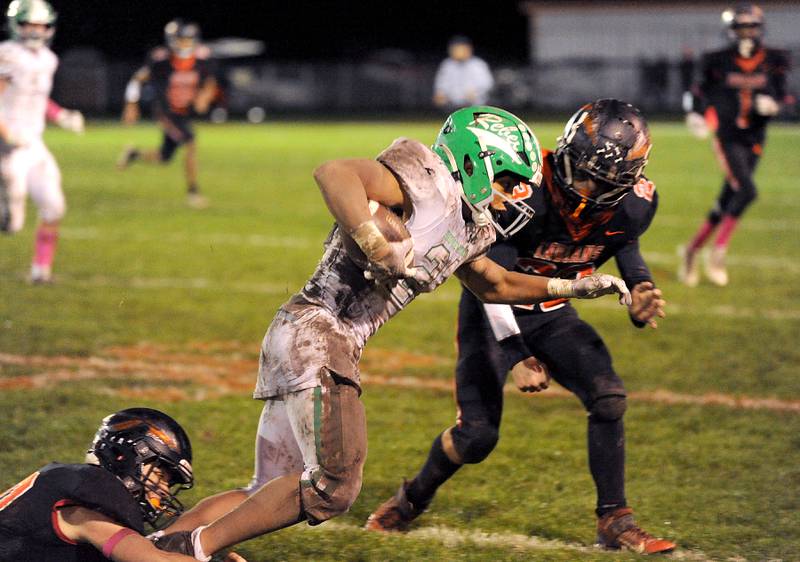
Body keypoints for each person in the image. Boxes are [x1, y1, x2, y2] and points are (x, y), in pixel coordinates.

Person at [152, 106, 632, 560]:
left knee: (267, 488)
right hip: (320, 335)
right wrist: (372, 240)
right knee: (334, 486)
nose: (512, 196)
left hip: (304, 335)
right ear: (476, 160)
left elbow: (496, 283)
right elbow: (335, 173)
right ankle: (192, 550)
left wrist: (575, 285)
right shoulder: (425, 178)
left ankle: (152, 545)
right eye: (507, 180)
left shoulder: (465, 222)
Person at [365, 99, 676, 555]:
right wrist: (517, 354)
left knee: (608, 396)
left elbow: (621, 239)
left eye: (594, 178)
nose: (577, 183)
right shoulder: (521, 188)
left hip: (551, 309)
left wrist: (640, 285)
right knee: (477, 437)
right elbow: (495, 284)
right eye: (575, 165)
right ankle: (412, 498)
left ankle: (614, 518)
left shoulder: (633, 205)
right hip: (492, 311)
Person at [0, 407, 208, 561]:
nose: (163, 491)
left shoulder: (70, 484)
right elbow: (150, 559)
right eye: (161, 475)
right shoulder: (89, 501)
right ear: (122, 456)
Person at [679, 2, 791, 286]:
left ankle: (691, 251)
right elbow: (696, 91)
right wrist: (695, 112)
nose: (746, 32)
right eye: (741, 27)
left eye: (751, 26)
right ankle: (718, 251)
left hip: (755, 137)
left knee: (729, 198)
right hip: (727, 136)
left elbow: (785, 96)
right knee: (747, 190)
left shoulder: (773, 58)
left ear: (759, 27)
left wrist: (774, 105)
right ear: (731, 30)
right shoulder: (717, 60)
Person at [0, 0, 85, 284]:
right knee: (12, 224)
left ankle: (41, 270)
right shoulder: (7, 55)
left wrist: (61, 116)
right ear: (17, 25)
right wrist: (5, 132)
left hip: (34, 144)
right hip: (7, 147)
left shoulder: (48, 59)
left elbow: (36, 97)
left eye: (40, 25)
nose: (35, 31)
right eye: (29, 24)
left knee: (54, 206)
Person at [117, 19, 218, 209]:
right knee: (190, 141)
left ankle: (134, 155)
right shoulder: (161, 62)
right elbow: (137, 79)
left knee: (164, 157)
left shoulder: (201, 61)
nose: (186, 44)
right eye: (182, 39)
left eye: (189, 39)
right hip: (166, 112)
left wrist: (205, 96)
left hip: (184, 113)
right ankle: (193, 193)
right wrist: (131, 104)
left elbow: (210, 82)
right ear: (172, 40)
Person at [433, 36, 494, 110]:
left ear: (468, 49)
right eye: (454, 49)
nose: (457, 52)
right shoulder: (447, 65)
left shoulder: (478, 64)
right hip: (451, 107)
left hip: (475, 107)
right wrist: (440, 94)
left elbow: (487, 85)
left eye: (460, 49)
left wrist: (476, 93)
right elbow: (441, 87)